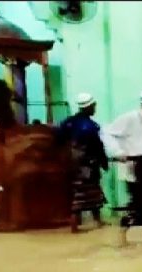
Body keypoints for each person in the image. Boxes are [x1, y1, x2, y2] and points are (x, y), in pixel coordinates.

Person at [102, 88, 142, 247]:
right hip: (135, 164)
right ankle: (122, 237)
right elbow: (106, 132)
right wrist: (117, 152)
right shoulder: (131, 117)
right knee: (136, 202)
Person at [58, 93, 109, 232]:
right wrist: (104, 162)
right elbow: (97, 146)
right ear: (89, 107)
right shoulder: (91, 126)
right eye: (94, 106)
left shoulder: (68, 122)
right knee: (88, 192)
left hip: (72, 164)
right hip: (88, 164)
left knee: (81, 192)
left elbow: (59, 139)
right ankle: (81, 224)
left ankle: (90, 222)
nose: (95, 108)